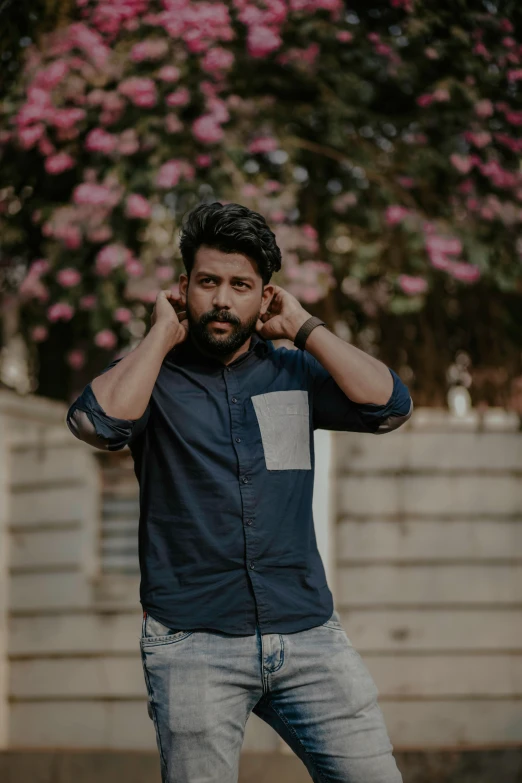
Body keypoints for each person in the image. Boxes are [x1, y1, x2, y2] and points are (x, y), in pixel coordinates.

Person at [66, 201, 411, 783]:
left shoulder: (293, 372)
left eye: (241, 286)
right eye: (208, 282)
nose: (222, 299)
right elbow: (96, 424)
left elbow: (389, 407)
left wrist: (306, 328)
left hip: (309, 638)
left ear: (265, 296)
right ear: (184, 288)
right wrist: (160, 333)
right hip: (192, 645)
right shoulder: (152, 376)